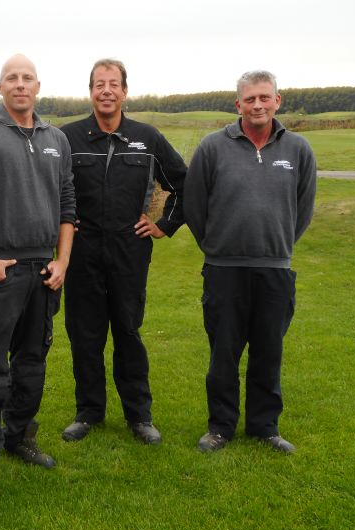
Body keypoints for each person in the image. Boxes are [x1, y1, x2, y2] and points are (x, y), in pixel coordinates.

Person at [0, 54, 76, 499]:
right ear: (0, 87)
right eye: (12, 78)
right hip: (0, 272)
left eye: (27, 78)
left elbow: (67, 205)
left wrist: (62, 261)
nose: (20, 85)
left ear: (37, 86)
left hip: (44, 271)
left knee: (32, 362)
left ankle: (19, 435)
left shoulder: (55, 138)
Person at [184, 70, 316, 453]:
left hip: (275, 270)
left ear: (278, 100)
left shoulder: (298, 149)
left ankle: (264, 426)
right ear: (237, 104)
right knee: (223, 352)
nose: (257, 105)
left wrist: (279, 246)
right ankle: (220, 427)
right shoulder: (212, 147)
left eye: (264, 97)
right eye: (249, 99)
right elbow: (195, 205)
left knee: (268, 351)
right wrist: (217, 246)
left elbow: (302, 209)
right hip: (224, 270)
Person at [59, 59, 187, 444]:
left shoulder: (147, 138)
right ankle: (89, 412)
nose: (107, 91)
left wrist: (163, 225)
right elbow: (47, 188)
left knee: (128, 332)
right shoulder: (68, 138)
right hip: (82, 253)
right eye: (100, 84)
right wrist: (59, 223)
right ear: (91, 91)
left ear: (125, 92)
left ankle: (139, 415)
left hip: (130, 252)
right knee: (85, 334)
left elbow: (185, 185)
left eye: (114, 84)